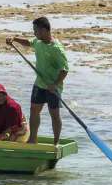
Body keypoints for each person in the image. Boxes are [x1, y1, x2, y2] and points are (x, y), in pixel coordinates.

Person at [6, 16, 69, 145]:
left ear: (45, 30)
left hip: (53, 87)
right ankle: (32, 139)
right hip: (40, 83)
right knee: (34, 110)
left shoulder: (56, 48)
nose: (34, 33)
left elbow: (65, 70)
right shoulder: (38, 42)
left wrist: (55, 84)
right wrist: (14, 39)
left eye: (36, 30)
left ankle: (55, 143)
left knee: (54, 114)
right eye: (34, 30)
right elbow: (29, 42)